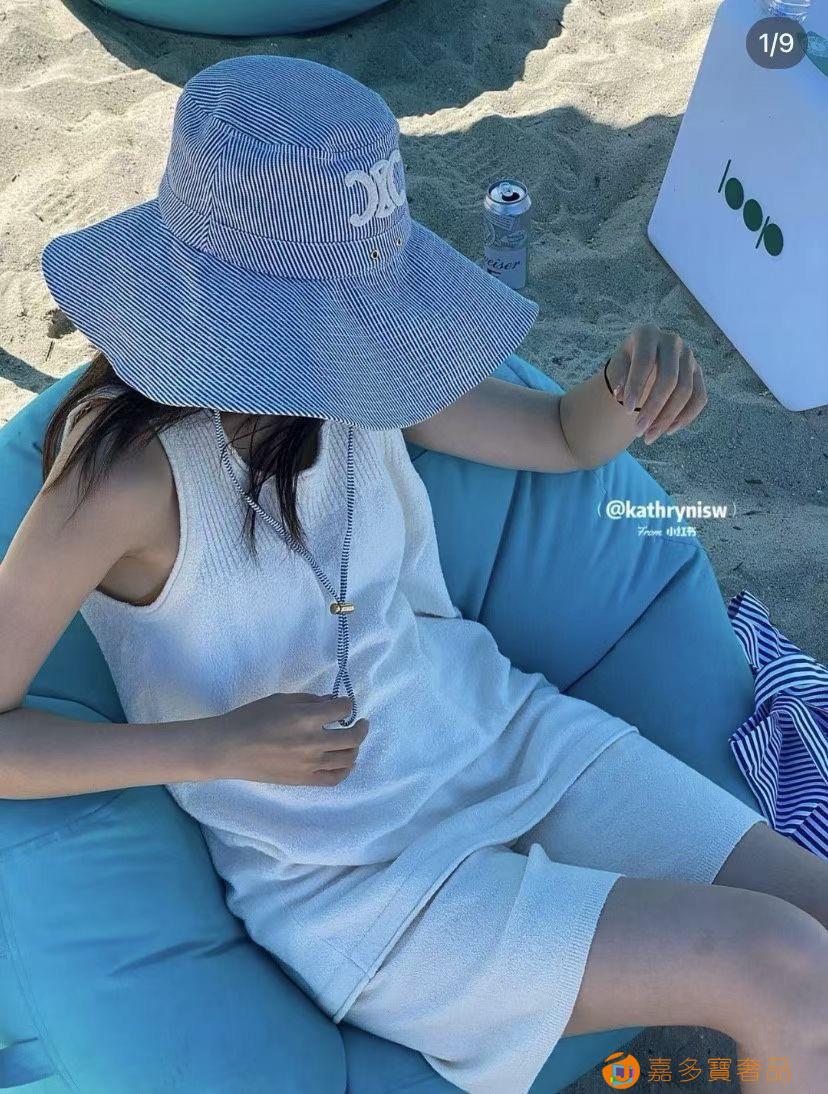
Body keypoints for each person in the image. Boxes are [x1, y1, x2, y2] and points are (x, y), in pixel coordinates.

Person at [1, 55, 826, 1094]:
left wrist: (628, 386)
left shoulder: (366, 365)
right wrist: (212, 746)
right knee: (785, 967)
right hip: (361, 882)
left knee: (815, 914)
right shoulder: (120, 481)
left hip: (510, 738)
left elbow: (563, 436)